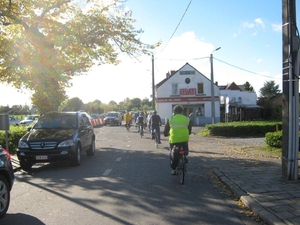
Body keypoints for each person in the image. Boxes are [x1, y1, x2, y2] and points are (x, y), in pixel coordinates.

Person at [164, 105, 192, 175]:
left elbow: (166, 130)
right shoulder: (187, 119)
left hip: (174, 139)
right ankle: (184, 155)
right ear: (182, 111)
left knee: (172, 153)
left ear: (174, 112)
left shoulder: (171, 119)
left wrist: (165, 134)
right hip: (184, 138)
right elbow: (190, 130)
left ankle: (173, 169)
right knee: (185, 146)